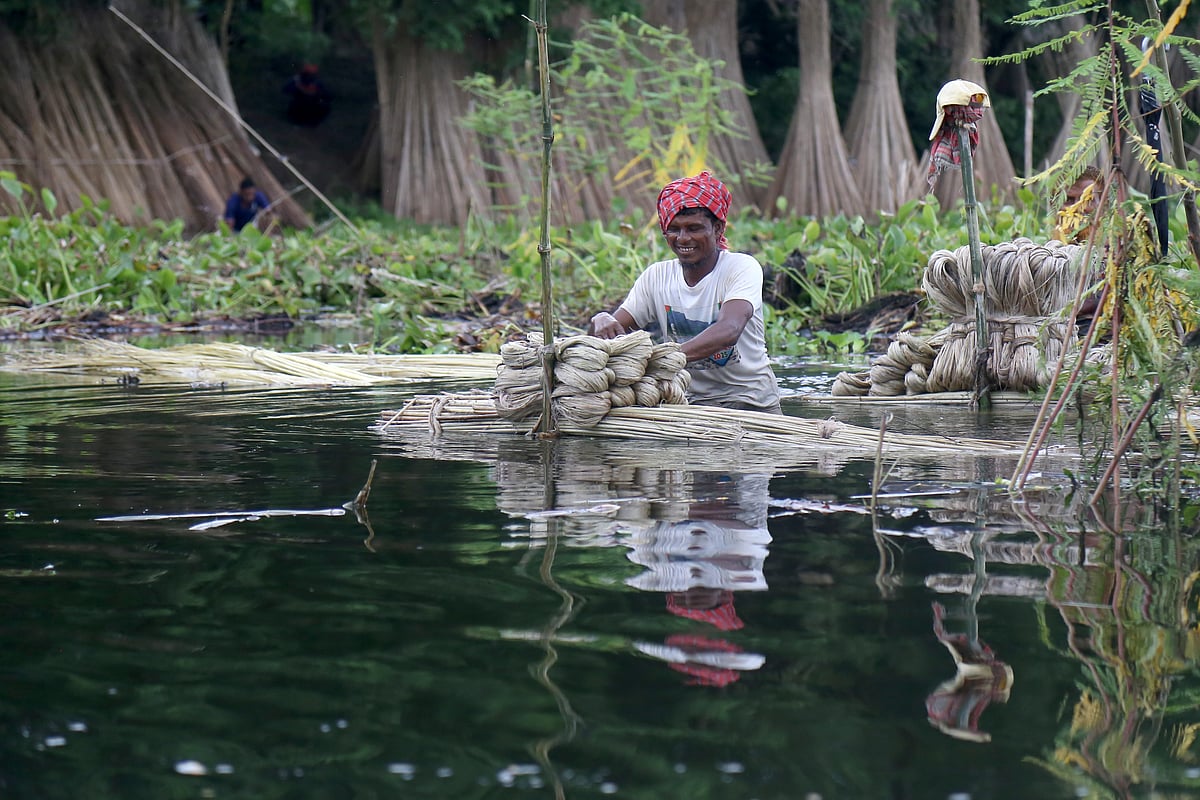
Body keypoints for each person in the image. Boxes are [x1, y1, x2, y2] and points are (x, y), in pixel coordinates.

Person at [590, 171, 782, 414]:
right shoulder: (656, 277)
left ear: (718, 228)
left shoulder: (741, 267)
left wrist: (662, 358)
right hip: (688, 404)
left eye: (694, 228)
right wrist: (601, 320)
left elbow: (729, 330)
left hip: (751, 402)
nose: (683, 238)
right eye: (675, 229)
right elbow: (612, 333)